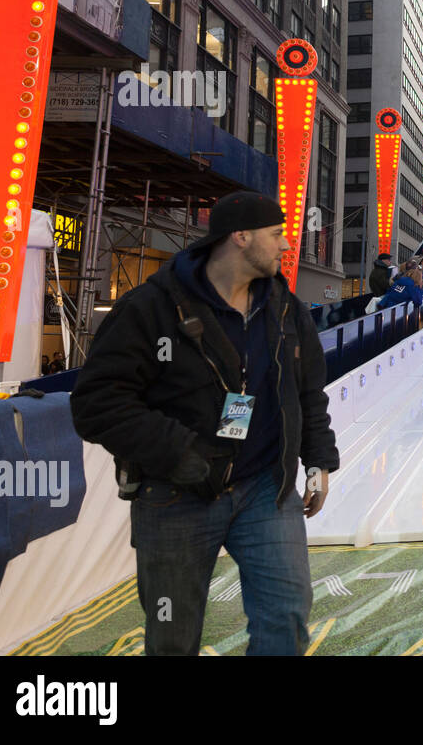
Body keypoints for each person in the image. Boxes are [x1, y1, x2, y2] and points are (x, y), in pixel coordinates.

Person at [70, 191, 338, 656]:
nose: (286, 246)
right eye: (277, 235)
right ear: (241, 237)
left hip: (265, 490)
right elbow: (97, 402)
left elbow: (307, 391)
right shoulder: (150, 308)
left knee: (287, 614)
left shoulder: (285, 308)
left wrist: (318, 459)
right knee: (173, 633)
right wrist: (180, 452)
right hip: (176, 494)